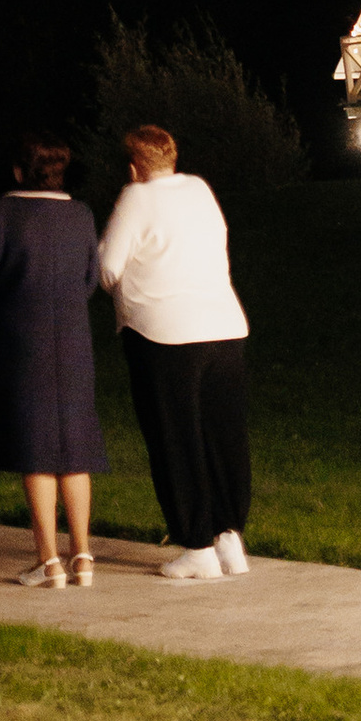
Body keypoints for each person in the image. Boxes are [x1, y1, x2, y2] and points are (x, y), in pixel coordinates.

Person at [97, 123, 252, 581]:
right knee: (222, 436)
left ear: (133, 168)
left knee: (174, 439)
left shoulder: (135, 197)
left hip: (163, 334)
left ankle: (197, 545)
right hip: (224, 327)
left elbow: (107, 266)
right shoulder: (199, 189)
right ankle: (229, 537)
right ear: (172, 157)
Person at [0, 133, 108, 590]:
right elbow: (90, 277)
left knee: (36, 447)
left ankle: (49, 562)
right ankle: (83, 556)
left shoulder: (2, 212)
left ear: (18, 170)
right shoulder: (81, 214)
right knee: (74, 446)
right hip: (73, 339)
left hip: (19, 340)